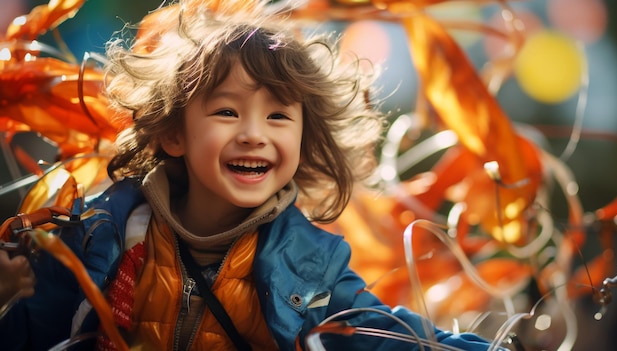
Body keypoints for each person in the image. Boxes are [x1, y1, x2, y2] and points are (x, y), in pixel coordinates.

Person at [0, 0, 508, 350]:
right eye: (227, 112)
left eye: (278, 116)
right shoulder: (92, 236)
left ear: (304, 141)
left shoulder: (315, 271)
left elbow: (397, 338)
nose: (253, 134)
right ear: (174, 134)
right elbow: (28, 336)